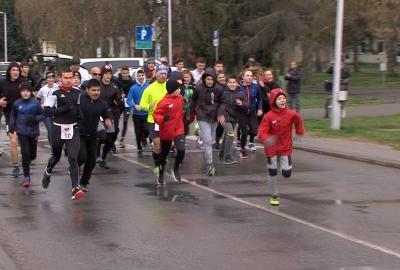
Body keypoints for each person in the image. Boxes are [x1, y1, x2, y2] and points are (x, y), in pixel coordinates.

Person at [42, 69, 84, 200]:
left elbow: (82, 109)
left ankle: (75, 188)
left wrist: (80, 115)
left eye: (71, 77)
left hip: (73, 128)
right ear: (60, 78)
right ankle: (48, 171)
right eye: (65, 77)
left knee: (73, 157)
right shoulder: (55, 93)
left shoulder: (78, 93)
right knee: (56, 156)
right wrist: (63, 109)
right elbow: (47, 112)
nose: (68, 80)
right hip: (58, 128)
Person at [258, 88, 304, 206]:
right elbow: (262, 131)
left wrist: (299, 132)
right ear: (274, 101)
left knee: (286, 174)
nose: (282, 100)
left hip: (285, 147)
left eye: (284, 98)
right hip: (271, 148)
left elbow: (298, 119)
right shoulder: (268, 116)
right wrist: (266, 139)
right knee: (272, 172)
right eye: (279, 99)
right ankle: (274, 195)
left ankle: (285, 169)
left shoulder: (291, 114)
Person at [78, 79, 112, 192]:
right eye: (93, 90)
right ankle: (74, 166)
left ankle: (83, 183)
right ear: (87, 90)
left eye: (98, 90)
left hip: (92, 135)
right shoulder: (80, 100)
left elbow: (107, 113)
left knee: (91, 160)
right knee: (82, 156)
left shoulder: (102, 103)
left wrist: (108, 119)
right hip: (79, 134)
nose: (96, 93)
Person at [9, 83, 44, 187]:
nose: (25, 93)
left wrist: (35, 119)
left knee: (32, 155)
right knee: (25, 152)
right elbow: (13, 115)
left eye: (27, 91)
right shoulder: (16, 103)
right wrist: (12, 125)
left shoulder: (35, 103)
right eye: (23, 91)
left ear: (31, 92)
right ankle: (26, 177)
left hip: (33, 132)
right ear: (20, 92)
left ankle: (28, 161)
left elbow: (43, 115)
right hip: (22, 131)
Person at [190, 71, 225, 176]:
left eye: (211, 79)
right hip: (202, 116)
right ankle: (210, 165)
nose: (210, 81)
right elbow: (193, 100)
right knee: (208, 141)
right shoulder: (199, 88)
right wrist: (191, 113)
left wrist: (220, 113)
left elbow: (223, 102)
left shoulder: (219, 89)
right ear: (204, 79)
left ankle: (199, 133)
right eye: (208, 79)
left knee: (212, 139)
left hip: (214, 117)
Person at [153, 79, 186, 185]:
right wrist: (163, 118)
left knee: (181, 150)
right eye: (177, 89)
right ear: (172, 90)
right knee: (164, 155)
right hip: (167, 131)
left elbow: (182, 111)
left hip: (178, 129)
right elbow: (156, 115)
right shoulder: (163, 102)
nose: (180, 90)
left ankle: (175, 169)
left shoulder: (180, 98)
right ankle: (161, 174)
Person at [139, 66, 168, 175]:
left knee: (166, 144)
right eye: (161, 73)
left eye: (165, 73)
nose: (163, 76)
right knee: (157, 145)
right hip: (154, 120)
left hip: (167, 120)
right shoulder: (149, 88)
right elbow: (142, 104)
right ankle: (157, 165)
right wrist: (148, 106)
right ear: (156, 75)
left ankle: (162, 158)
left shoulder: (169, 86)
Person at [97, 64, 124, 169]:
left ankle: (103, 159)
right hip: (98, 114)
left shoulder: (114, 87)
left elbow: (120, 103)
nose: (108, 76)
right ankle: (97, 151)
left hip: (110, 115)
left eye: (110, 74)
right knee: (101, 136)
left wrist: (116, 114)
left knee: (110, 137)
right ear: (102, 75)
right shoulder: (97, 85)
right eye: (106, 74)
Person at [0, 62, 23, 177]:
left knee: (26, 142)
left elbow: (31, 97)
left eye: (17, 70)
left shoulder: (23, 83)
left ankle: (28, 159)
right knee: (13, 140)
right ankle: (15, 166)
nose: (15, 72)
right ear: (9, 71)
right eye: (13, 70)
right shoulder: (3, 83)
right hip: (10, 115)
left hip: (24, 115)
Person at [219, 75, 244, 165]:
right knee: (230, 134)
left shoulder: (240, 93)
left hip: (234, 117)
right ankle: (227, 157)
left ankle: (222, 153)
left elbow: (246, 104)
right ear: (227, 83)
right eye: (230, 82)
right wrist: (220, 114)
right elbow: (219, 104)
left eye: (234, 82)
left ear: (237, 83)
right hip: (224, 117)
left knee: (227, 136)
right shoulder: (223, 92)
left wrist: (241, 103)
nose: (232, 84)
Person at [237, 69, 263, 157]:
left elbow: (259, 99)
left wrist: (259, 109)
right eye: (247, 76)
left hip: (252, 112)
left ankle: (250, 142)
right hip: (242, 112)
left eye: (251, 76)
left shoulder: (255, 87)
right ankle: (242, 149)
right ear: (243, 77)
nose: (249, 77)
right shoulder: (238, 87)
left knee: (254, 131)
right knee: (244, 132)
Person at [127, 69, 149, 157]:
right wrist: (134, 105)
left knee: (147, 130)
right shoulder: (133, 88)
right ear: (136, 77)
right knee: (138, 132)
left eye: (142, 75)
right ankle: (139, 148)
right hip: (137, 114)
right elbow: (129, 100)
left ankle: (144, 138)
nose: (141, 77)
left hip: (147, 113)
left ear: (144, 76)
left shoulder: (148, 86)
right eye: (139, 76)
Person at [36, 71, 59, 145]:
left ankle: (59, 146)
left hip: (56, 112)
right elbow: (38, 99)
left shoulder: (58, 87)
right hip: (46, 113)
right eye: (49, 78)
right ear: (46, 79)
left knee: (57, 131)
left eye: (52, 78)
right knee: (50, 130)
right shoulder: (43, 89)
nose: (50, 80)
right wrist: (40, 107)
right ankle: (53, 149)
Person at [115, 66, 135, 148]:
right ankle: (114, 137)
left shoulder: (132, 82)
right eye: (123, 73)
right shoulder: (117, 81)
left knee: (125, 120)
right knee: (116, 120)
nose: (125, 75)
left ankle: (122, 139)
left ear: (128, 73)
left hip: (128, 103)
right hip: (119, 102)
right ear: (121, 73)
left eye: (126, 73)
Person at [181, 70, 195, 136]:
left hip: (190, 109)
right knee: (182, 125)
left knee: (187, 124)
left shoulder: (193, 86)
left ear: (191, 77)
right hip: (181, 109)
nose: (186, 79)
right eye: (185, 77)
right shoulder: (180, 86)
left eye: (188, 77)